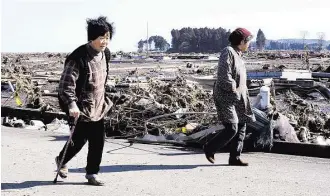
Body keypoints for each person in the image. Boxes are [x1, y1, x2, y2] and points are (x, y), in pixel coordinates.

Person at [55, 16, 114, 186]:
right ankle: (61, 159)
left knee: (98, 140)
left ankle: (92, 173)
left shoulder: (105, 54)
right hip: (80, 107)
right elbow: (66, 85)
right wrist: (72, 104)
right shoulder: (78, 58)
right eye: (101, 38)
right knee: (79, 140)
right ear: (91, 38)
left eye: (107, 37)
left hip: (98, 104)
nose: (104, 42)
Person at [203, 28, 256, 166]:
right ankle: (210, 147)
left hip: (239, 96)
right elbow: (224, 74)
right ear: (242, 41)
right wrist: (233, 89)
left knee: (242, 124)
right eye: (248, 41)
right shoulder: (228, 52)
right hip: (226, 95)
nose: (249, 44)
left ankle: (235, 158)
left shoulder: (238, 54)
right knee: (232, 127)